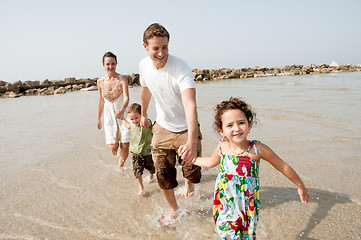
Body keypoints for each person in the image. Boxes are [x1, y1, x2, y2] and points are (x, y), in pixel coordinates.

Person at [182, 97, 310, 239]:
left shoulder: (257, 149)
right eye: (229, 125)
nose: (236, 128)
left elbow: (283, 167)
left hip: (246, 204)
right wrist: (194, 159)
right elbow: (211, 162)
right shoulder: (222, 146)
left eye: (241, 123)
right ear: (222, 131)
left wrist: (300, 185)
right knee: (227, 232)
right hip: (226, 201)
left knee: (245, 235)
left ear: (249, 125)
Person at [139, 23, 202, 224]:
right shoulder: (143, 65)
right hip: (163, 127)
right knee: (163, 174)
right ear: (145, 46)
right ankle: (174, 209)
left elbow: (190, 105)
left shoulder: (181, 68)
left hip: (186, 127)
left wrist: (192, 141)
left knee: (192, 172)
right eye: (156, 48)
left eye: (164, 47)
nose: (161, 53)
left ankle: (189, 183)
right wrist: (143, 112)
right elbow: (146, 88)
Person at [97, 51, 131, 169]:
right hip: (108, 116)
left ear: (116, 64)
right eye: (107, 64)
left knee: (125, 143)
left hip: (123, 114)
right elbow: (101, 101)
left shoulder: (122, 79)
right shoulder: (100, 81)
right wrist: (98, 119)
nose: (110, 66)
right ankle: (116, 150)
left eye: (113, 63)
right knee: (113, 147)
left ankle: (120, 167)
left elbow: (126, 97)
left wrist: (122, 110)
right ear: (103, 65)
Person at [120, 103, 155, 195]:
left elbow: (148, 122)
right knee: (137, 170)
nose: (134, 121)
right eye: (132, 119)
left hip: (148, 152)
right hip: (136, 152)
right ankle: (140, 185)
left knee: (152, 168)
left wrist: (144, 117)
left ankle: (151, 176)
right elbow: (127, 125)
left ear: (141, 115)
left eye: (136, 118)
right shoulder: (132, 124)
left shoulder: (147, 123)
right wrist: (121, 118)